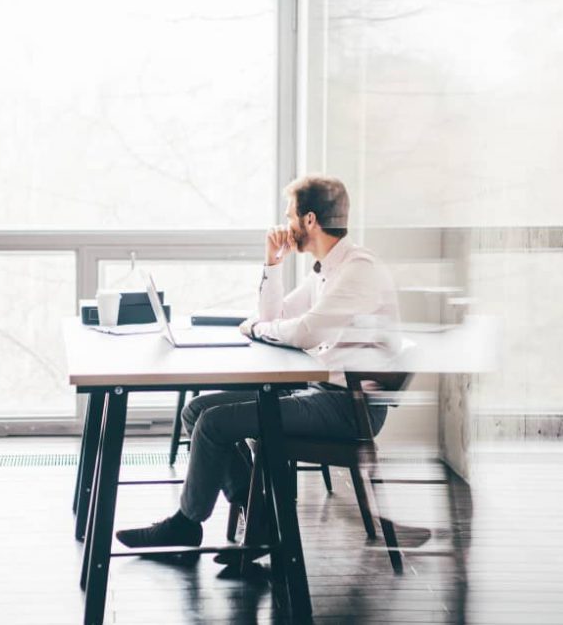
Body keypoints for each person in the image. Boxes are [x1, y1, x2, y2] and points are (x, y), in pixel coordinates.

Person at [115, 176, 400, 553]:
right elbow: (279, 315)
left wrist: (260, 328)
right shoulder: (326, 268)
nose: (285, 225)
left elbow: (303, 332)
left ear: (309, 220)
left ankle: (188, 524)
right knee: (196, 411)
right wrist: (272, 265)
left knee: (215, 424)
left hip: (348, 408)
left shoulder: (357, 269)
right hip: (320, 392)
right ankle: (259, 512)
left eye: (290, 215)